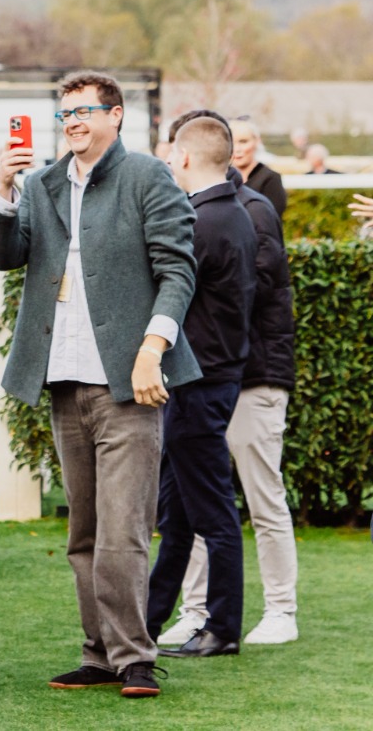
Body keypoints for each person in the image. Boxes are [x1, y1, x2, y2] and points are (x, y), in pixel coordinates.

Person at [0, 70, 200, 700]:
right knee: (84, 533)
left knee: (123, 531)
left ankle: (135, 657)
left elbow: (178, 271)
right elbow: (4, 256)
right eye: (65, 114)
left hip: (129, 384)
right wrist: (4, 190)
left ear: (116, 115)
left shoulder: (147, 177)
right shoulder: (43, 182)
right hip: (62, 380)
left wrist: (151, 350)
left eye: (84, 111)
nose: (73, 122)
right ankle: (99, 653)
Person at [161, 110, 300, 649]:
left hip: (251, 372)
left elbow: (246, 291)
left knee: (261, 497)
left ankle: (279, 609)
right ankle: (197, 610)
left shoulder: (247, 211)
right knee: (199, 498)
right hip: (217, 370)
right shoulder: (206, 208)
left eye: (245, 140)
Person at [146, 115, 256, 659]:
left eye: (172, 153)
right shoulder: (232, 213)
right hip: (208, 379)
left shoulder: (204, 221)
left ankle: (223, 627)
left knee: (211, 512)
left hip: (199, 383)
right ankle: (146, 620)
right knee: (179, 514)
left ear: (185, 157)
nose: (169, 161)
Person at [230, 119, 286, 218]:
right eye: (232, 143)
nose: (237, 149)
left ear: (257, 141)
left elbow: (271, 218)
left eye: (243, 141)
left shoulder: (270, 178)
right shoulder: (222, 178)